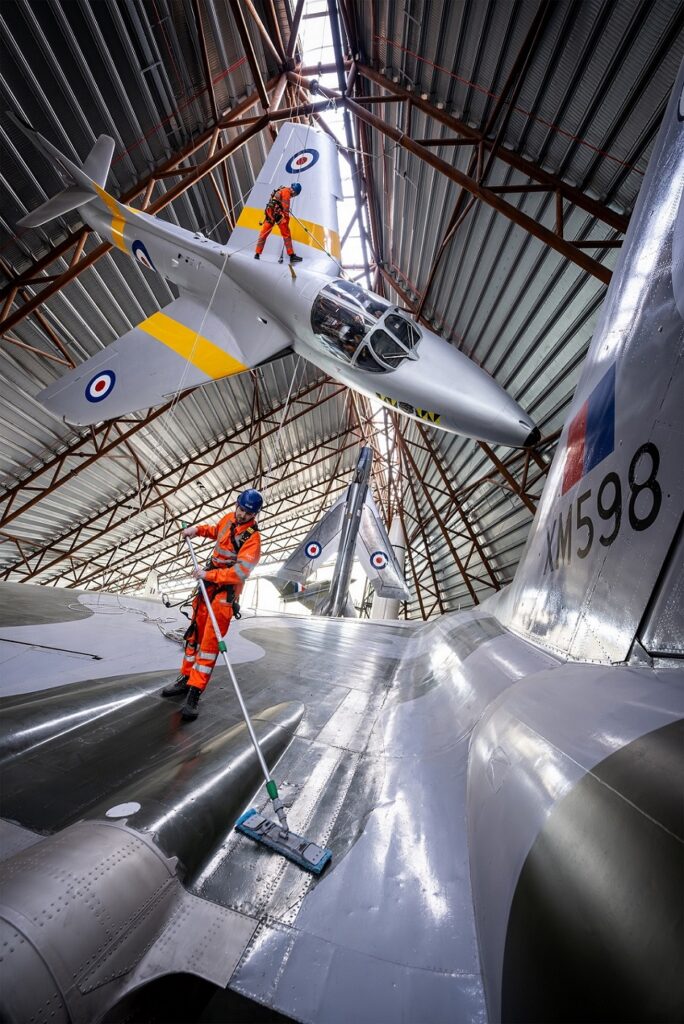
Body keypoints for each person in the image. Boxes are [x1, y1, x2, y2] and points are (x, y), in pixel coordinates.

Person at [161, 489, 263, 720]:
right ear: (236, 505)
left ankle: (195, 693)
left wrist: (209, 576)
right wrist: (196, 530)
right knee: (193, 635)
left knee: (208, 645)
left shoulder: (253, 540)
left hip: (222, 596)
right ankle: (185, 679)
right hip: (206, 588)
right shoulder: (229, 518)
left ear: (254, 514)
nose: (241, 514)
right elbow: (216, 531)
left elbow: (240, 572)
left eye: (248, 513)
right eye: (240, 508)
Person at [254, 182, 303, 263]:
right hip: (278, 215)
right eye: (295, 195)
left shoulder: (282, 189)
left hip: (270, 213)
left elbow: (277, 201)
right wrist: (286, 222)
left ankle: (257, 253)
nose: (293, 196)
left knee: (264, 233)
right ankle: (291, 255)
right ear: (294, 192)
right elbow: (285, 209)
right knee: (286, 234)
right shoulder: (287, 193)